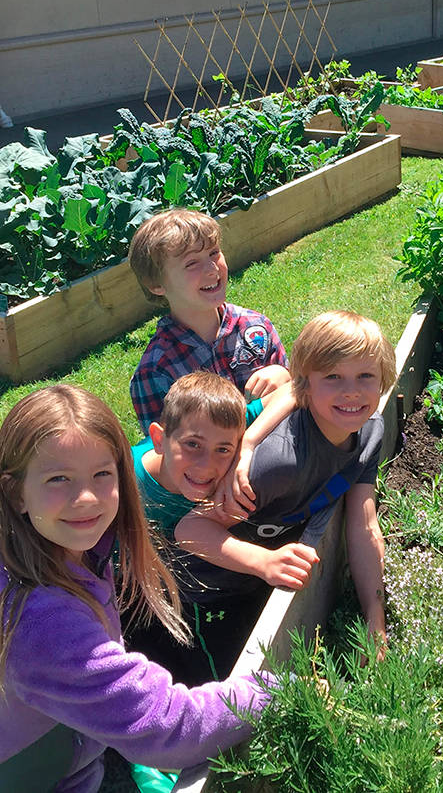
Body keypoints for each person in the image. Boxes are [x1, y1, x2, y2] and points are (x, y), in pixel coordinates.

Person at [0, 384, 269, 793]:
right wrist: (272, 688)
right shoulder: (38, 621)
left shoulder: (69, 548)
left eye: (101, 474)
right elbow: (167, 729)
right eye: (59, 478)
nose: (86, 497)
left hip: (66, 763)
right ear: (14, 491)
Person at [168, 311, 398, 682]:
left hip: (252, 581)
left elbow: (363, 525)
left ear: (384, 378)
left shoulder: (369, 433)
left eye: (365, 376)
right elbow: (191, 530)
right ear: (305, 385)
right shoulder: (278, 462)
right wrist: (264, 562)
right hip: (199, 590)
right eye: (333, 377)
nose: (351, 391)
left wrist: (374, 614)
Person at [129, 371, 320, 685]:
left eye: (223, 450)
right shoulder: (128, 485)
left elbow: (294, 388)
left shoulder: (223, 421)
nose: (207, 466)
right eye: (193, 445)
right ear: (159, 439)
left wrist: (247, 447)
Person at [128, 208, 290, 433]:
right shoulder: (156, 372)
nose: (212, 268)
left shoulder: (256, 328)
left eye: (214, 252)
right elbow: (166, 455)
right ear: (156, 284)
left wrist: (284, 377)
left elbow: (299, 399)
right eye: (191, 263)